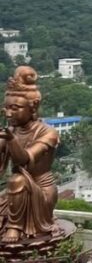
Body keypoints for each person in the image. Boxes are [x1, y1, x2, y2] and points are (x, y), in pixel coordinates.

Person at [0, 66, 59, 243]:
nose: (9, 114)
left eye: (16, 108)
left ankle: (15, 227)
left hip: (41, 190)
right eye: (6, 108)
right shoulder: (11, 131)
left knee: (17, 179)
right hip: (14, 193)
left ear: (32, 108)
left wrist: (11, 140)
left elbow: (24, 160)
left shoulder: (48, 133)